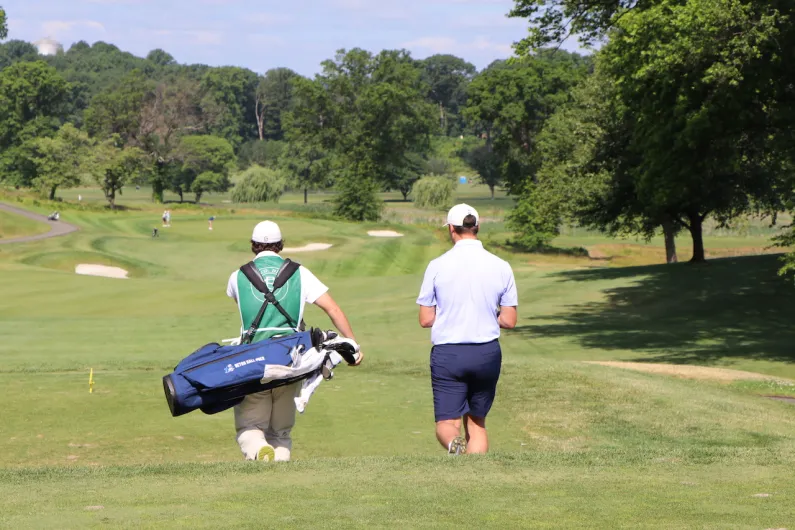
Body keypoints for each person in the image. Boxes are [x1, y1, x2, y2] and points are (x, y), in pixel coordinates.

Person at [226, 220, 363, 462]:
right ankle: (278, 469)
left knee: (250, 427)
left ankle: (259, 452)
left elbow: (248, 316)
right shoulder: (301, 273)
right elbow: (333, 309)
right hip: (290, 361)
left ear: (253, 245)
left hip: (253, 362)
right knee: (281, 431)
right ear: (280, 245)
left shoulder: (237, 277)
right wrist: (352, 346)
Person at [416, 204, 518, 455]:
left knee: (447, 423)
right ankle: (477, 475)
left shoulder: (437, 265)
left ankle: (454, 444)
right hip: (486, 353)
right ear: (478, 227)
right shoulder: (501, 265)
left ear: (452, 229)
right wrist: (487, 313)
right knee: (477, 422)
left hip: (449, 354)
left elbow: (425, 319)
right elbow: (509, 320)